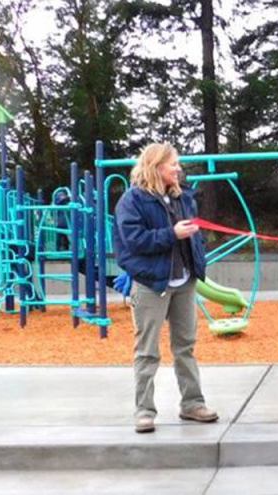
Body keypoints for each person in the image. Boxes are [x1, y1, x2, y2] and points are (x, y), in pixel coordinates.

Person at [114, 142, 218, 433]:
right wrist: (172, 234)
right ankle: (144, 411)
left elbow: (192, 235)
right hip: (151, 284)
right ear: (157, 166)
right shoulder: (132, 201)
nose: (178, 169)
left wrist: (196, 251)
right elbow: (134, 241)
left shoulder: (182, 196)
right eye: (173, 164)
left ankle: (192, 403)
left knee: (185, 346)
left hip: (184, 282)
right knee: (147, 351)